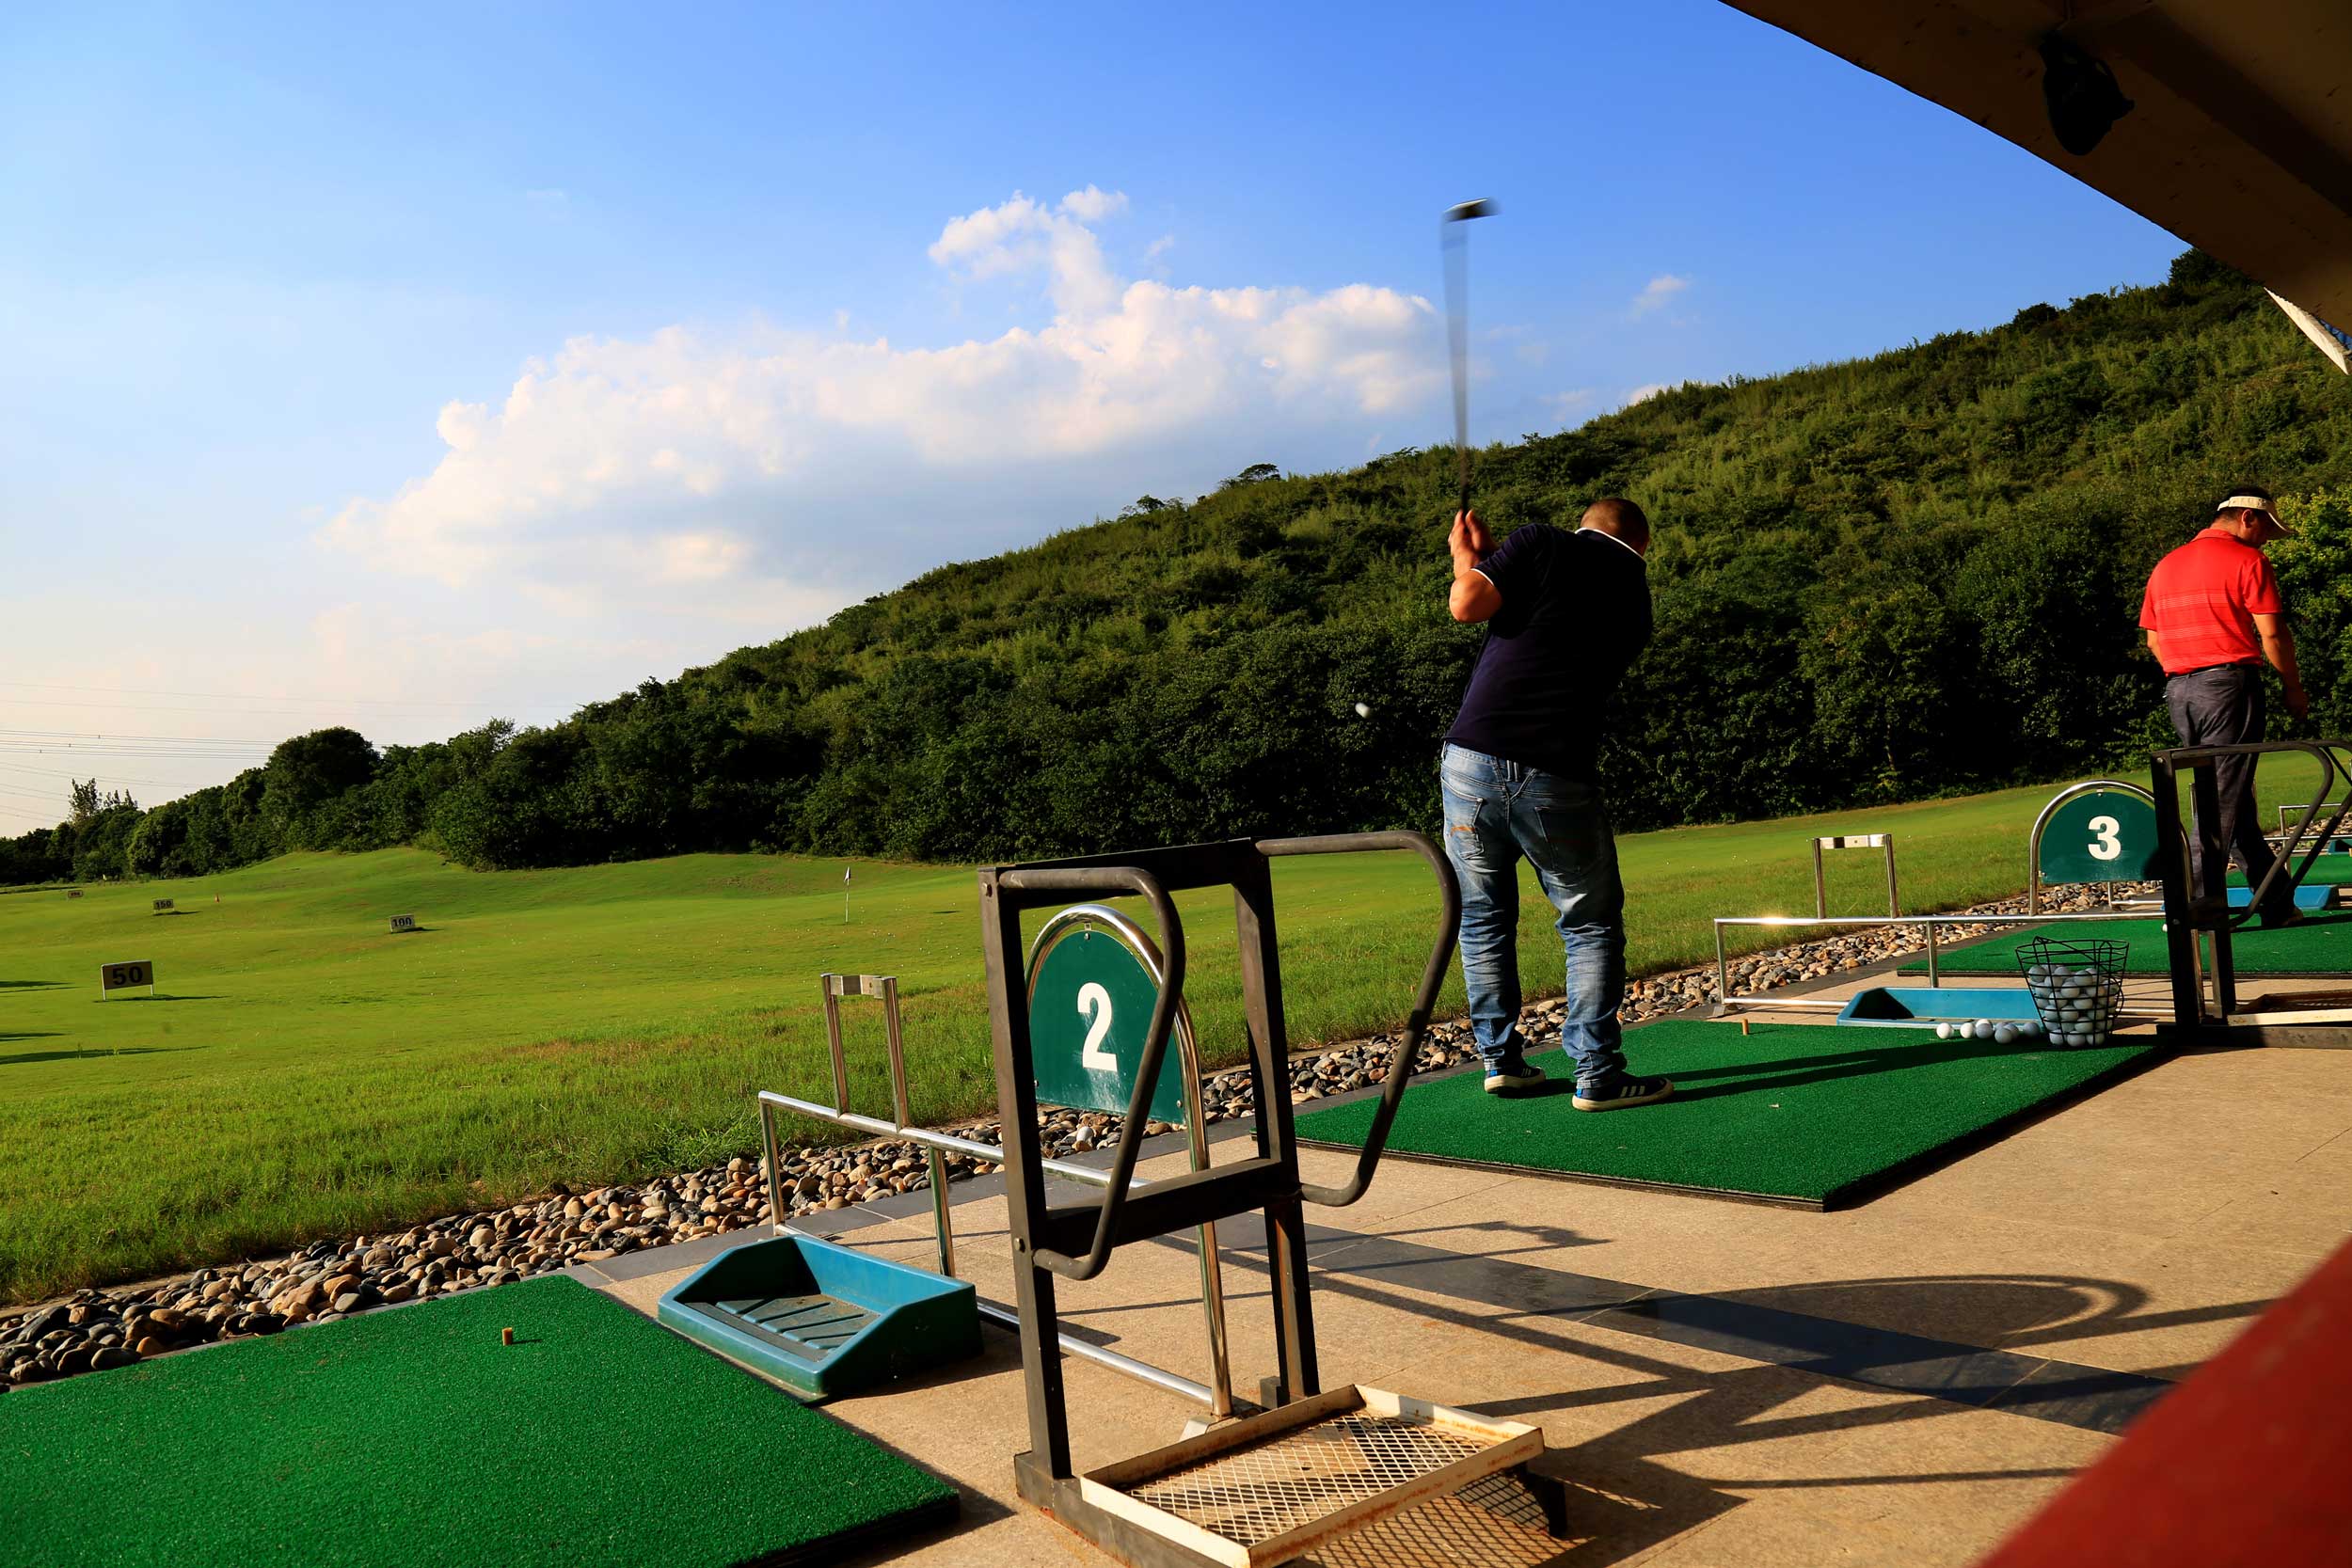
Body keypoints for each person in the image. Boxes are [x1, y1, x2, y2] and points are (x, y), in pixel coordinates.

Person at [1439, 497, 1669, 1109]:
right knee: (1588, 922)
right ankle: (1596, 1072)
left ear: (1584, 523)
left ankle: (1501, 1060)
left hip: (1471, 761)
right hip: (1558, 773)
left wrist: (1470, 559)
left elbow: (1470, 603)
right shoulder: (1637, 603)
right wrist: (1492, 564)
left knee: (1484, 916)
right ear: (1640, 547)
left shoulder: (1541, 542)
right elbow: (1554, 621)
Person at [2137, 486, 2309, 925]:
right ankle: (2190, 906)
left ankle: (2277, 904)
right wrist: (2292, 686)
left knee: (2232, 803)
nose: (2268, 539)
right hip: (2228, 685)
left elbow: (2154, 640)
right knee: (2222, 804)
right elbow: (2272, 634)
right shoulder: (2248, 560)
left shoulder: (2166, 565)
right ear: (2248, 518)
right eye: (2267, 529)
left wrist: (2187, 672)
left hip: (2180, 690)